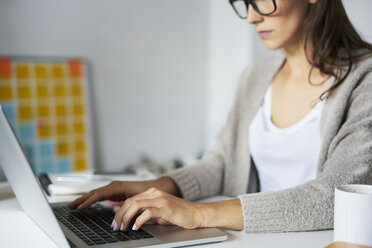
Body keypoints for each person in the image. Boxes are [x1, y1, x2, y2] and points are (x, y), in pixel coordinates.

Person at [69, 0, 372, 233]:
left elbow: (340, 196)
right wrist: (161, 186)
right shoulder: (255, 76)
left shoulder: (365, 77)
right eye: (245, 3)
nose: (252, 17)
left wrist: (199, 213)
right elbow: (221, 163)